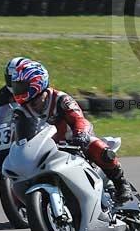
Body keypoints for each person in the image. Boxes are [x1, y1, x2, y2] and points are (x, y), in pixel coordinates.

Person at [10, 60, 133, 202]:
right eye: (16, 86)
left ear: (36, 82)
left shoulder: (60, 99)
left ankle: (121, 183)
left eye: (21, 86)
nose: (18, 90)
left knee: (97, 147)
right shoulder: (20, 112)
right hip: (45, 150)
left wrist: (80, 134)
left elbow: (79, 119)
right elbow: (17, 139)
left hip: (74, 143)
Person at [0, 56, 32, 121]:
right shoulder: (5, 92)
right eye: (10, 78)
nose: (14, 83)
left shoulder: (36, 92)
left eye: (16, 79)